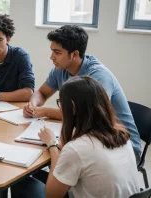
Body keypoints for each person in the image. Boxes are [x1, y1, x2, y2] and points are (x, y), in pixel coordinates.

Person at [23, 25, 141, 163]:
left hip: (123, 146)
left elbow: (86, 114)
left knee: (60, 155)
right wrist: (32, 105)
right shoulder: (60, 69)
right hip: (91, 137)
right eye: (52, 51)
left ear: (74, 55)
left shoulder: (98, 75)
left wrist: (44, 111)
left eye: (57, 52)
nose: (51, 57)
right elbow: (42, 93)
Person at [12, 76, 140, 198]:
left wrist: (52, 144)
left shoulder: (77, 149)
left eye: (60, 104)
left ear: (72, 107)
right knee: (34, 175)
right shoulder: (121, 135)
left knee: (20, 183)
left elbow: (52, 195)